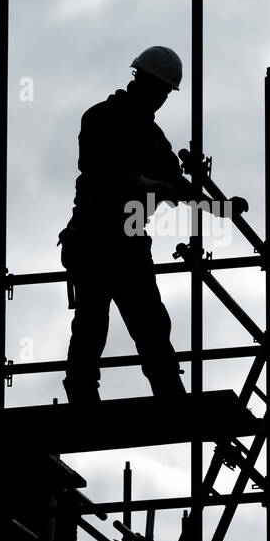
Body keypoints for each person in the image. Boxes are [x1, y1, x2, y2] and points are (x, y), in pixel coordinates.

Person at [58, 46, 197, 405]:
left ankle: (170, 398)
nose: (161, 98)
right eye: (159, 89)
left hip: (129, 240)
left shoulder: (153, 136)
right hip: (93, 236)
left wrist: (217, 205)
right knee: (92, 324)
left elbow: (176, 183)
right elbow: (101, 171)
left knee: (152, 325)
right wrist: (151, 185)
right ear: (142, 81)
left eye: (166, 93)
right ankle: (83, 402)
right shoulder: (101, 118)